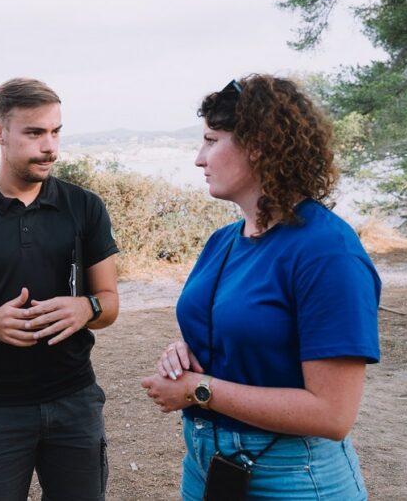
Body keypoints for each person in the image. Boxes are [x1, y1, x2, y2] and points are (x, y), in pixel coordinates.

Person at [141, 75, 381, 500]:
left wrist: (199, 390)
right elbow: (242, 329)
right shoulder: (222, 241)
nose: (200, 158)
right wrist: (183, 352)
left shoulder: (327, 251)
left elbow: (333, 414)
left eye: (212, 140)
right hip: (206, 467)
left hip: (294, 475)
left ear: (259, 145)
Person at [0, 77, 121, 500]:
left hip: (76, 400)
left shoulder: (84, 207)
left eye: (55, 132)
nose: (49, 146)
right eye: (35, 133)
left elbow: (109, 304)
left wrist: (85, 308)